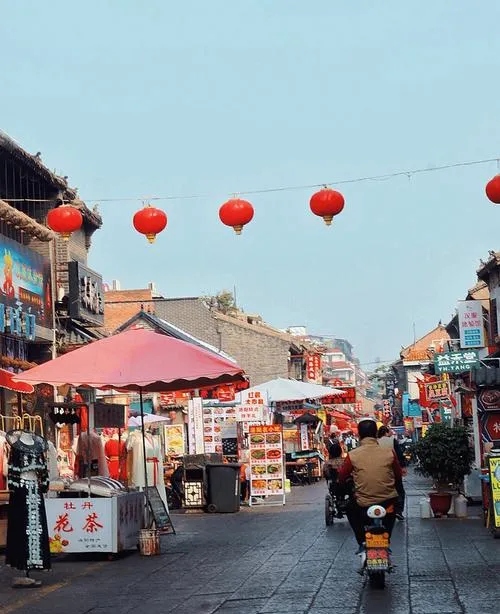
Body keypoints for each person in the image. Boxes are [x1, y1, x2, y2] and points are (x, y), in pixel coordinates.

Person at [338, 417, 403, 552]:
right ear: (376, 434)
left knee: (349, 509)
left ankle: (362, 541)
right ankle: (386, 539)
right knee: (392, 511)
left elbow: (342, 476)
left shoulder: (353, 455)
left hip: (362, 504)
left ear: (359, 435)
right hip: (388, 501)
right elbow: (398, 474)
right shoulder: (389, 452)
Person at [377, 425, 406, 520]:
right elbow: (399, 454)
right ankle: (398, 511)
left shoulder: (376, 442)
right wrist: (403, 466)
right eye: (389, 431)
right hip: (393, 469)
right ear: (386, 432)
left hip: (380, 471)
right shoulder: (392, 441)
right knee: (399, 490)